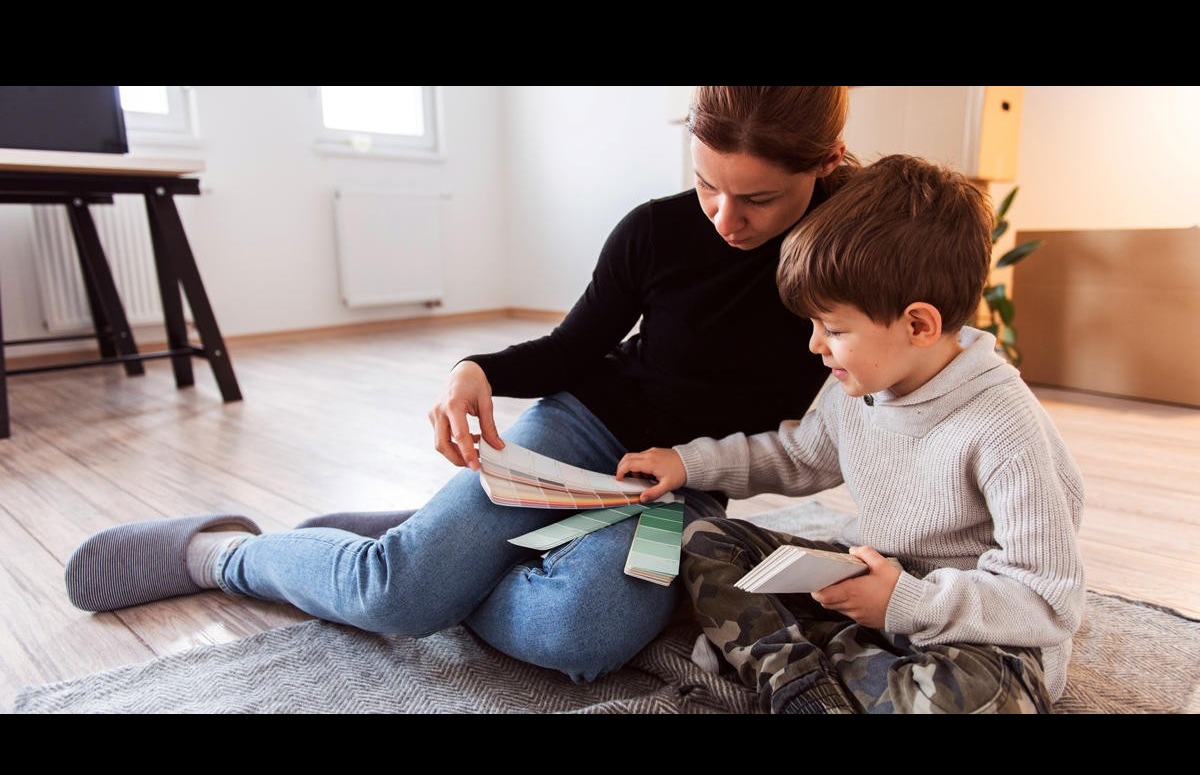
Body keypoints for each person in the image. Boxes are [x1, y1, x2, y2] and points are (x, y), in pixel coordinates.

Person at [64, 87, 860, 684]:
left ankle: (444, 545)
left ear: (824, 166)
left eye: (758, 199)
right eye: (707, 185)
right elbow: (572, 348)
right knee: (397, 597)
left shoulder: (855, 253)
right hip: (582, 434)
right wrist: (472, 369)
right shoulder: (653, 230)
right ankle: (221, 551)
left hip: (684, 490)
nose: (726, 218)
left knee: (581, 640)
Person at [615, 154, 1087, 713]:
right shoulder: (859, 383)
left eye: (834, 329)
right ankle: (810, 688)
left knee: (979, 698)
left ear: (918, 325)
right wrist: (690, 464)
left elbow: (1049, 602)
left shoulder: (1006, 428)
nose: (815, 345)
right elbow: (797, 456)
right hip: (875, 585)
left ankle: (806, 669)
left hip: (975, 632)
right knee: (707, 541)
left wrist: (905, 600)